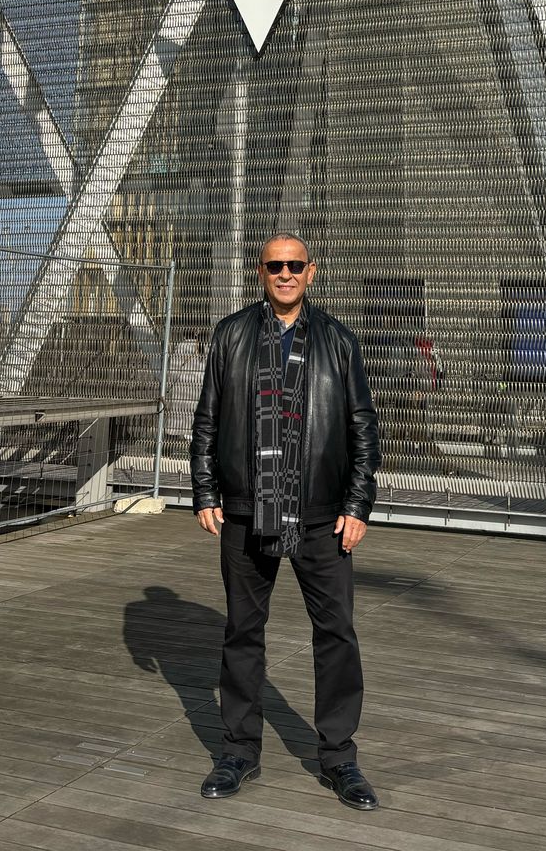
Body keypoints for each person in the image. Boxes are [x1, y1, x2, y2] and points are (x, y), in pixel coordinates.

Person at [190, 235, 381, 811]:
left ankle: (339, 758)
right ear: (261, 272)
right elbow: (207, 419)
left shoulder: (338, 341)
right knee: (243, 634)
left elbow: (363, 430)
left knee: (337, 636)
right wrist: (204, 491)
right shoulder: (231, 335)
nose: (285, 274)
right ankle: (238, 752)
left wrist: (356, 505)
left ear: (311, 272)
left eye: (294, 265)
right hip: (247, 510)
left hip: (321, 515)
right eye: (275, 265)